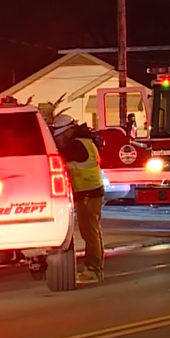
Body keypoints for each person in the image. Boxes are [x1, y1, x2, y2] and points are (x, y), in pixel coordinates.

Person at [51, 114, 105, 284]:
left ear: (67, 132)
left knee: (90, 233)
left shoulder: (76, 145)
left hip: (88, 193)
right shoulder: (84, 141)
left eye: (59, 137)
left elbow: (59, 156)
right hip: (90, 192)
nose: (58, 141)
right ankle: (95, 269)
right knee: (93, 232)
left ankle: (93, 270)